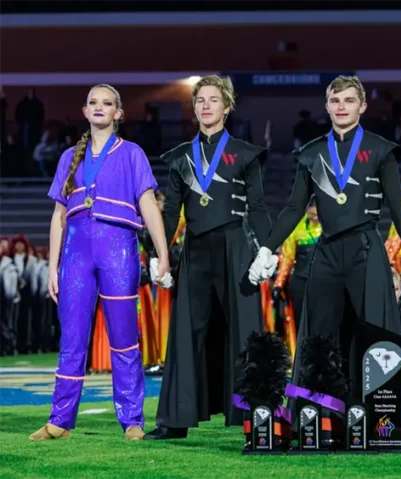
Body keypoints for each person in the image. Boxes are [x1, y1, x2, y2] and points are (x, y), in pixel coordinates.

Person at [248, 75, 401, 403]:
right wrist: (265, 247)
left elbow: (397, 208)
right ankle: (317, 413)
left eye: (348, 100)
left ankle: (379, 412)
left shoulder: (379, 149)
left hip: (366, 247)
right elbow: (293, 207)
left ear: (362, 105)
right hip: (327, 250)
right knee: (319, 331)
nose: (341, 107)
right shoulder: (312, 153)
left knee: (375, 328)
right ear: (327, 107)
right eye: (335, 101)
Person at [30, 84, 171, 441]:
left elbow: (149, 205)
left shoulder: (133, 154)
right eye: (93, 102)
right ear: (84, 110)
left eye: (107, 103)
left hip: (119, 250)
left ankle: (132, 420)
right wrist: (51, 267)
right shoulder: (68, 158)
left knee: (124, 338)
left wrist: (162, 252)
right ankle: (60, 421)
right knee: (72, 338)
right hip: (75, 253)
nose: (99, 107)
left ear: (118, 114)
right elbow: (57, 217)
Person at [145, 75, 272, 440]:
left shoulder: (245, 154)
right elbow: (170, 214)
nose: (205, 106)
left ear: (226, 107)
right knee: (186, 330)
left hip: (236, 247)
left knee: (247, 331)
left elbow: (259, 208)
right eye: (200, 99)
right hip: (196, 249)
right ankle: (174, 420)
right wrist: (160, 254)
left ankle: (256, 419)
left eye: (213, 100)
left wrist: (267, 248)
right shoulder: (182, 157)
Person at [272, 199, 321, 355]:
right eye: (311, 214)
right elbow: (287, 257)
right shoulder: (297, 228)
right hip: (300, 282)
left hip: (324, 282)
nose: (314, 218)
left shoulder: (332, 226)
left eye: (317, 215)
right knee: (300, 323)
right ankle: (302, 358)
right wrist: (279, 284)